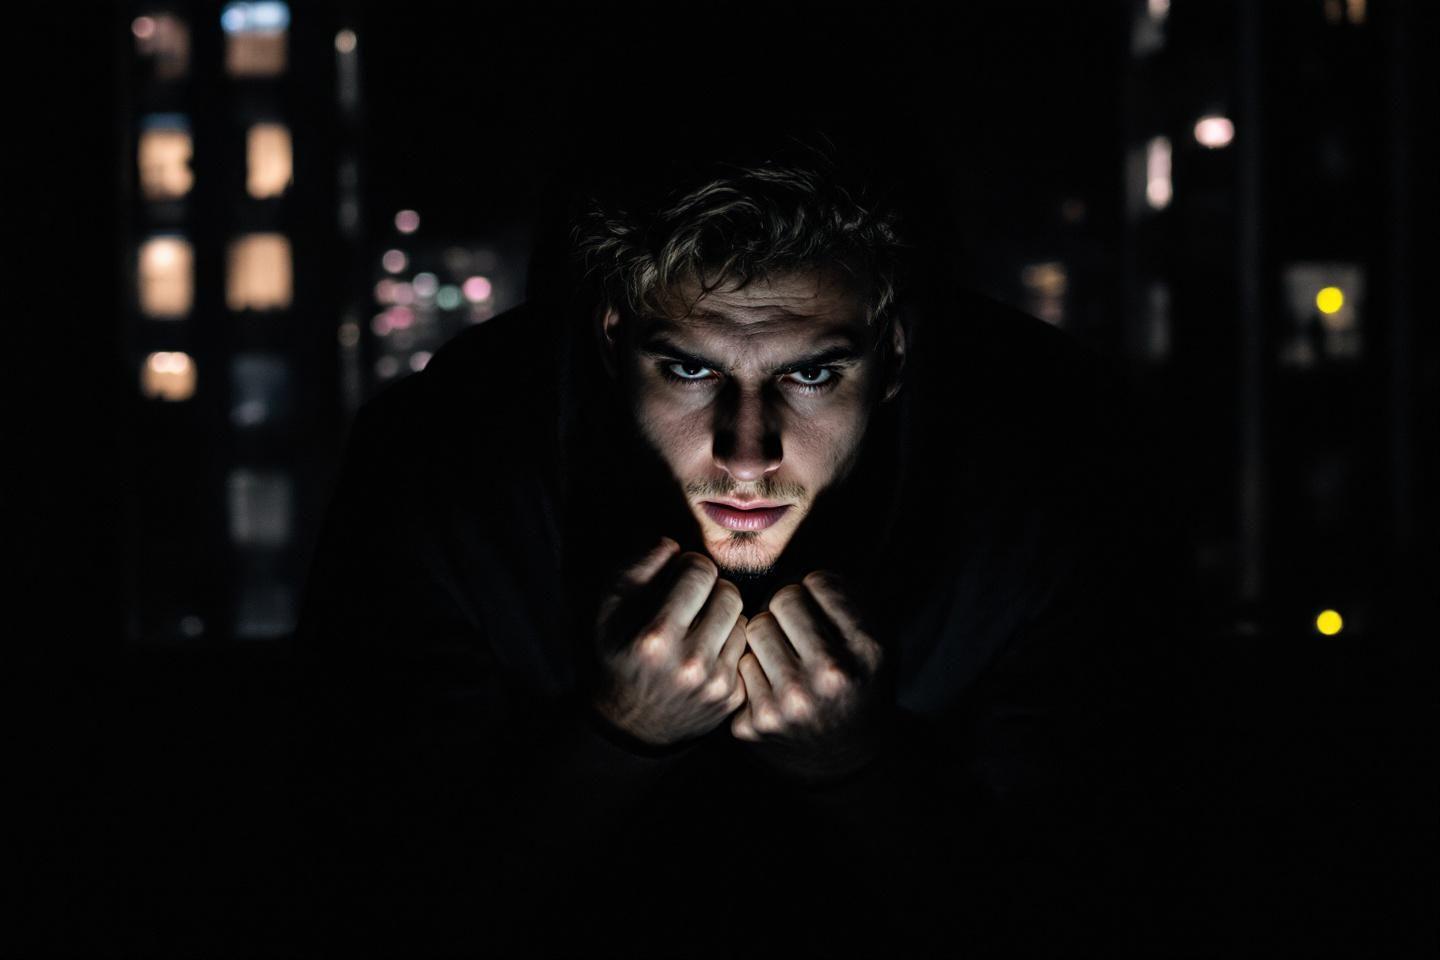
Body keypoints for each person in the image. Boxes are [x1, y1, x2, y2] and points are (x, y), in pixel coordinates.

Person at [293, 129, 1168, 957]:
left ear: (893, 355)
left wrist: (859, 772)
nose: (747, 453)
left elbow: (1090, 896)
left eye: (813, 373)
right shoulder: (444, 470)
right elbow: (378, 892)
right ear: (613, 340)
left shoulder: (1052, 474)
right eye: (690, 368)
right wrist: (616, 739)